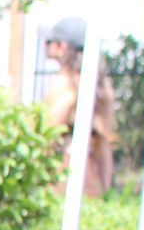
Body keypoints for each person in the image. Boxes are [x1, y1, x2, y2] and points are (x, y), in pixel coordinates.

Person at [41, 16, 118, 197]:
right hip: (92, 177)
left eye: (50, 42)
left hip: (62, 174)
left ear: (62, 47)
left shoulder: (63, 84)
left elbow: (46, 136)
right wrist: (105, 189)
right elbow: (105, 146)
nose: (47, 46)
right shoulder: (103, 89)